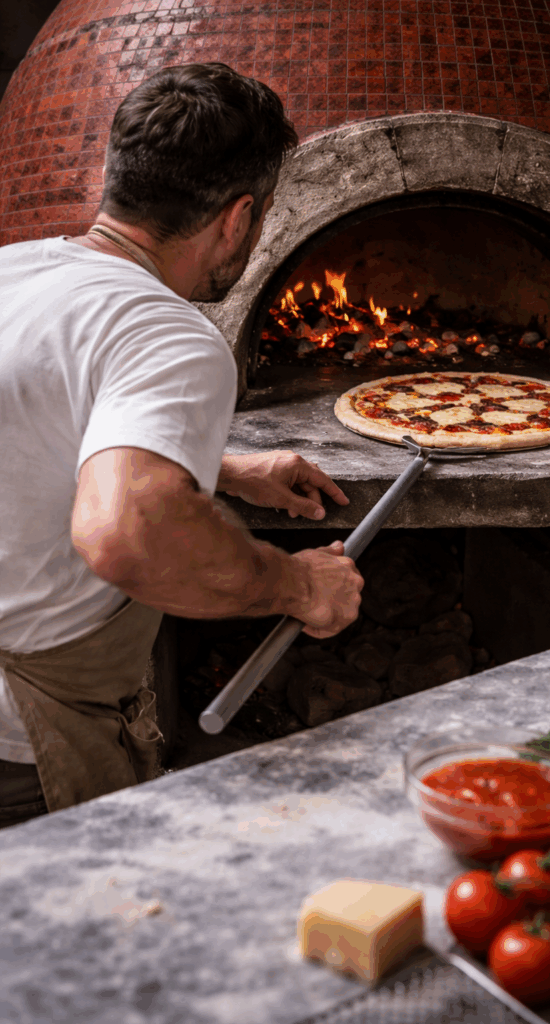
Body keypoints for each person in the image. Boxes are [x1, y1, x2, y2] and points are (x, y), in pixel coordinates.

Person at [0, 62, 364, 828]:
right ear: (237, 219)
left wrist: (218, 470)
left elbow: (29, 430)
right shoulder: (167, 332)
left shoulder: (15, 275)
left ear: (114, 177)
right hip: (21, 742)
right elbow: (128, 531)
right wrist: (299, 588)